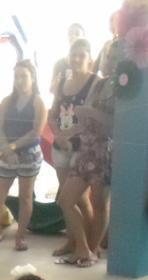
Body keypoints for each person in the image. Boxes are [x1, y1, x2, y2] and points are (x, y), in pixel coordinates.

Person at [0, 61, 47, 252]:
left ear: (32, 78)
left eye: (24, 76)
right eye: (17, 77)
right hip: (7, 153)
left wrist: (13, 147)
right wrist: (7, 149)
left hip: (29, 154)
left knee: (25, 197)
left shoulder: (38, 101)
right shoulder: (7, 101)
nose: (20, 81)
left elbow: (35, 132)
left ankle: (20, 236)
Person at [55, 69, 115, 268]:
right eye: (109, 56)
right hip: (86, 148)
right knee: (65, 199)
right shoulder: (98, 83)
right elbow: (84, 120)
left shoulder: (125, 86)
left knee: (99, 203)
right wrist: (68, 132)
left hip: (105, 149)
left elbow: (117, 125)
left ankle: (92, 248)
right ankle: (82, 247)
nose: (112, 62)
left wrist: (92, 113)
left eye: (116, 56)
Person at [48, 39, 98, 260]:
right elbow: (52, 114)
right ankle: (72, 241)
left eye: (81, 55)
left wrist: (70, 137)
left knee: (80, 199)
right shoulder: (62, 83)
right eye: (73, 54)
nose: (77, 59)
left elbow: (91, 118)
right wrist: (59, 135)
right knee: (65, 197)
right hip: (60, 146)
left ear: (90, 58)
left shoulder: (95, 82)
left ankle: (85, 244)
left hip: (82, 148)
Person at [51, 23, 88, 93]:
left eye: (77, 33)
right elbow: (52, 89)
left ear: (84, 36)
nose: (73, 36)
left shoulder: (90, 62)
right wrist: (57, 83)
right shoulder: (59, 63)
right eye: (70, 34)